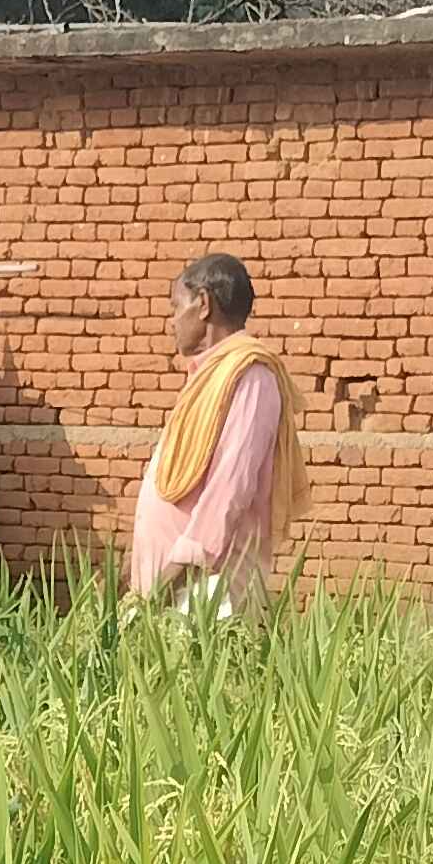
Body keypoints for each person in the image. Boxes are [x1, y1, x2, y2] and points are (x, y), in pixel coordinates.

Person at [131, 253, 303, 609]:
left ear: (204, 304)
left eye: (176, 306)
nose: (172, 321)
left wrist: (174, 574)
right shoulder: (208, 377)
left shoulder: (251, 376)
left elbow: (230, 488)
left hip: (206, 590)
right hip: (169, 589)